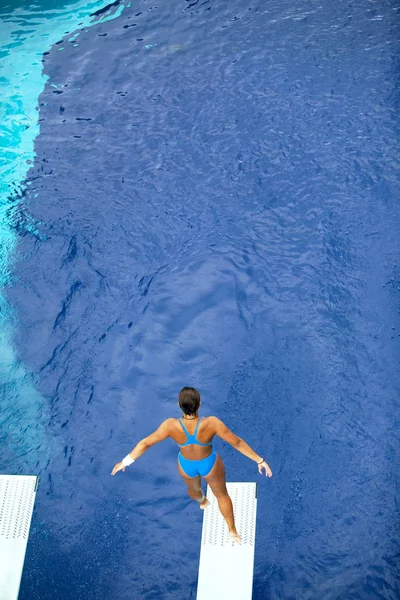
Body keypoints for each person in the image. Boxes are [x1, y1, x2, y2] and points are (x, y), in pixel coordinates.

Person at [112, 386, 272, 542]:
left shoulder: (170, 425)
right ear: (199, 404)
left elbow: (145, 443)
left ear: (179, 405)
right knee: (222, 496)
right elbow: (236, 442)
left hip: (186, 466)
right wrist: (259, 460)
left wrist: (125, 461)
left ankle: (202, 501)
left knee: (194, 489)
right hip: (209, 464)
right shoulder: (212, 423)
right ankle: (232, 532)